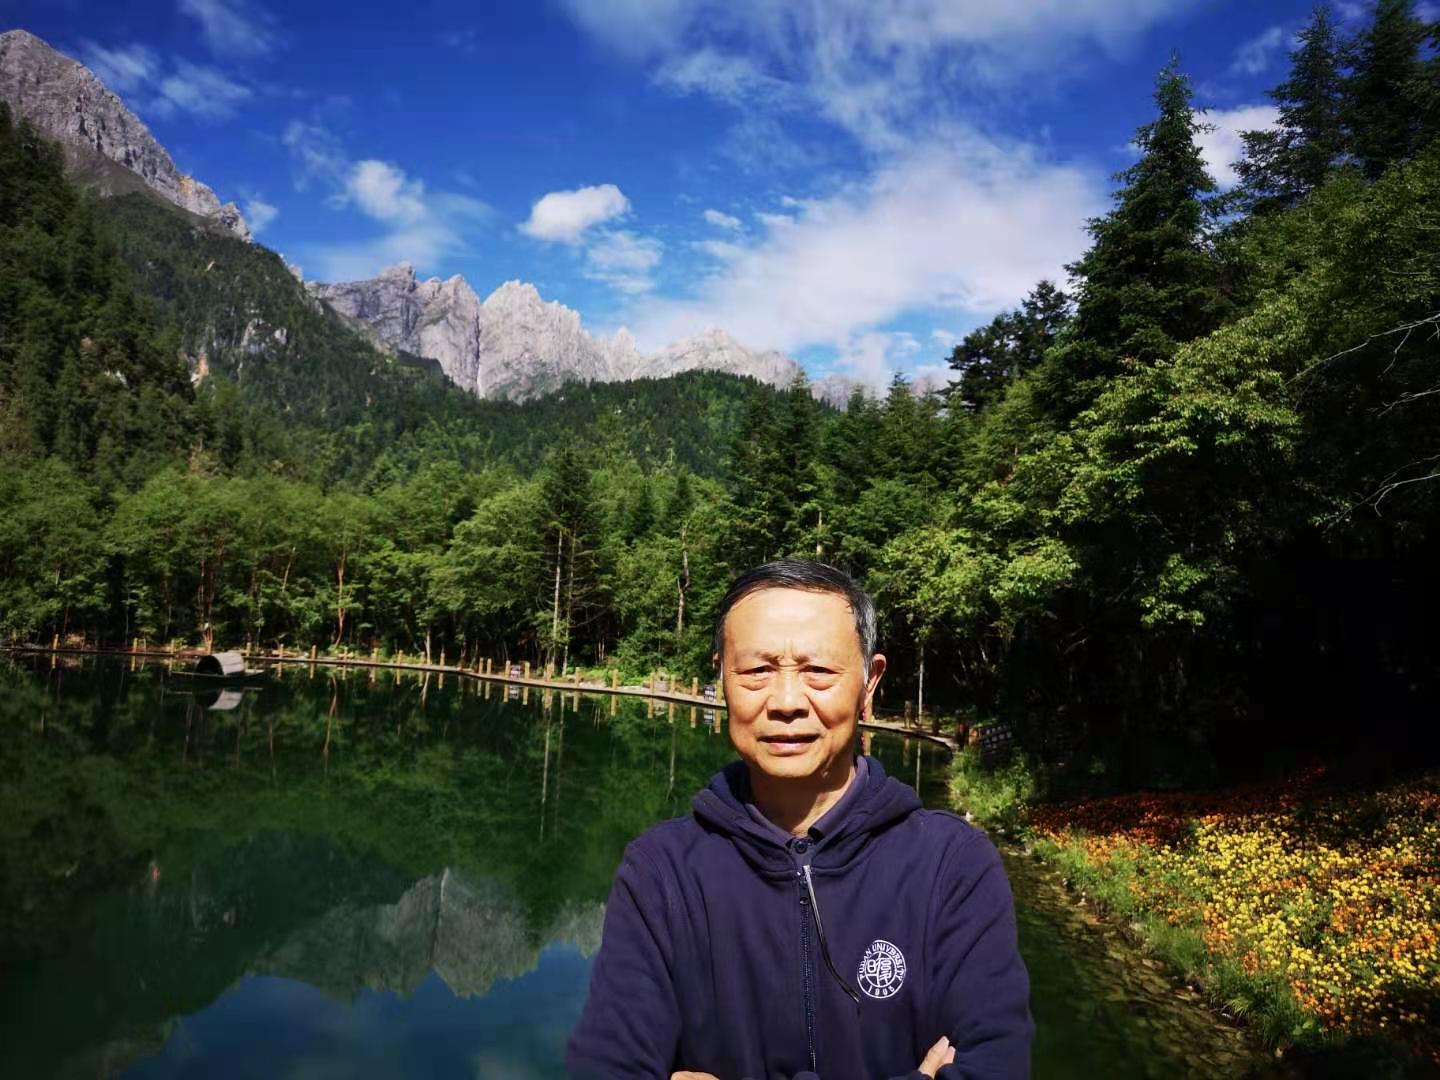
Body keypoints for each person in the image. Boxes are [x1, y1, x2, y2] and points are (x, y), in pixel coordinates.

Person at [566, 559, 1032, 1079]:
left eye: (819, 671)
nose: (786, 702)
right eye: (757, 671)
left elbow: (996, 1066)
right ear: (721, 678)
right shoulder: (661, 874)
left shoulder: (952, 866)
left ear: (869, 683)